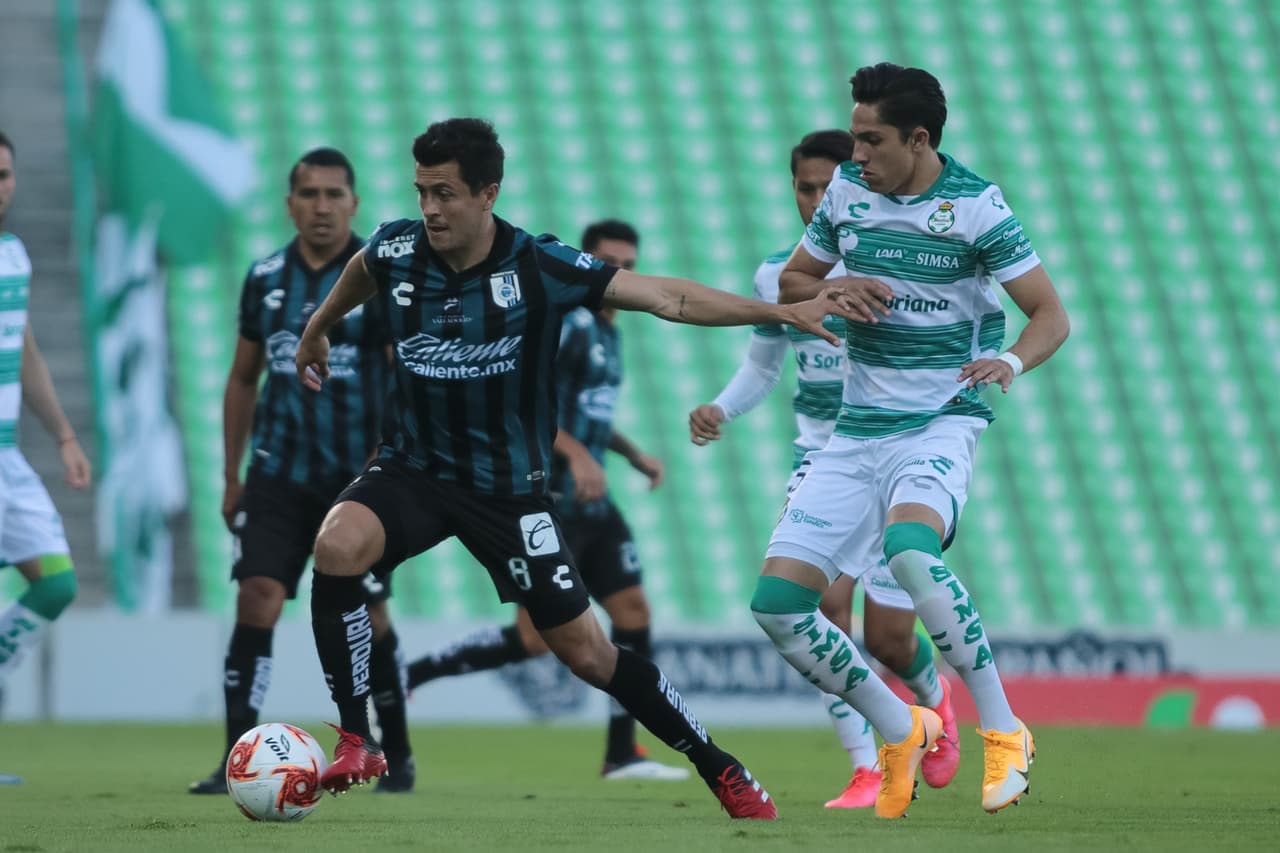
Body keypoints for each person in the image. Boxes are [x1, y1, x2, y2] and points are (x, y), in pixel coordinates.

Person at [293, 117, 858, 819]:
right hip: (412, 469)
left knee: (590, 654)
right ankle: (358, 739)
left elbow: (667, 297)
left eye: (444, 193)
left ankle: (718, 762)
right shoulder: (397, 246)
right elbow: (361, 272)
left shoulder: (538, 265)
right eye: (421, 191)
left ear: (487, 193)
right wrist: (318, 327)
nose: (430, 208)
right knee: (336, 544)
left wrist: (780, 310)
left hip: (508, 493)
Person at [748, 63, 1069, 818]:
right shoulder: (848, 197)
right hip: (854, 429)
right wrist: (830, 290)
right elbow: (794, 282)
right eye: (855, 136)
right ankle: (902, 727)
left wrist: (1012, 358)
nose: (855, 156)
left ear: (919, 140)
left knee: (910, 553)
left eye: (871, 140)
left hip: (940, 417)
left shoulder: (975, 206)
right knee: (778, 604)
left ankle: (1003, 728)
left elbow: (1050, 313)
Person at [689, 128, 958, 809]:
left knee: (889, 639)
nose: (815, 199)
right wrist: (720, 408)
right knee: (819, 609)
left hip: (891, 454)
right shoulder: (780, 276)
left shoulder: (901, 262)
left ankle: (938, 703)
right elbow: (762, 367)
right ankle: (867, 764)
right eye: (804, 187)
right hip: (822, 457)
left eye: (824, 186)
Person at [404, 219, 688, 781]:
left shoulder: (611, 331)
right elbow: (528, 406)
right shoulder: (570, 325)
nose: (623, 274)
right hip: (547, 495)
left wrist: (630, 454)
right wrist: (579, 457)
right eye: (613, 263)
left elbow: (591, 414)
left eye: (631, 264)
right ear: (590, 265)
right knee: (536, 642)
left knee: (634, 612)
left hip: (595, 502)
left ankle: (621, 754)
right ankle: (415, 670)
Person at [188, 148, 415, 795]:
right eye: (308, 193)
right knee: (255, 596)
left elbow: (406, 375)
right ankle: (235, 755)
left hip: (360, 480)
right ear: (290, 203)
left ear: (354, 203)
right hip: (277, 474)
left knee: (370, 618)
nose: (321, 205)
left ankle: (394, 751)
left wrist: (391, 452)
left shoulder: (381, 278)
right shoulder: (264, 278)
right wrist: (232, 475)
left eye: (333, 194)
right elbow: (241, 378)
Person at [0, 130, 91, 786]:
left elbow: (24, 346)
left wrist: (61, 432)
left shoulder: (14, 255)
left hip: (7, 455)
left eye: (3, 174)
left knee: (56, 581)